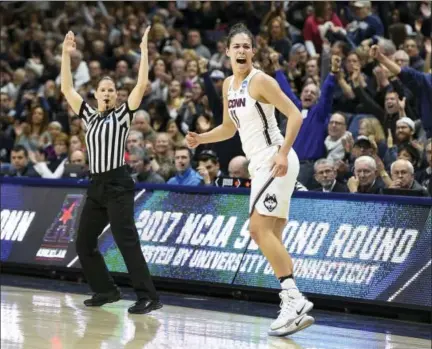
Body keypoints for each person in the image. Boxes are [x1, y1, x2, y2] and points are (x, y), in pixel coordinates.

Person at [186, 23, 313, 337]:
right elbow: (230, 128)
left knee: (257, 229)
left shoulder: (261, 81)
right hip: (259, 165)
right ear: (227, 51)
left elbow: (295, 114)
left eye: (247, 46)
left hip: (275, 159)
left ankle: (294, 298)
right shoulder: (229, 84)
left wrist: (283, 153)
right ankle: (290, 304)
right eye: (236, 46)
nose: (242, 51)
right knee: (272, 236)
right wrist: (202, 138)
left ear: (253, 51)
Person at [60, 29, 162, 314]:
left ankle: (148, 296)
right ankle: (106, 290)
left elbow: (142, 84)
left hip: (118, 182)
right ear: (95, 94)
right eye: (102, 89)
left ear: (118, 96)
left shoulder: (123, 114)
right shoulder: (89, 116)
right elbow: (67, 89)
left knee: (125, 240)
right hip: (96, 185)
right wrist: (65, 56)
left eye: (111, 90)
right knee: (84, 242)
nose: (107, 93)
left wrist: (143, 51)